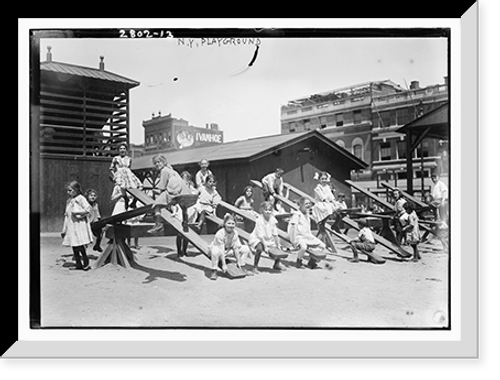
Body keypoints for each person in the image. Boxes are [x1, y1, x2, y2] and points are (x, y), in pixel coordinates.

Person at [147, 154, 191, 234]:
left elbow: (162, 185)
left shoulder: (164, 170)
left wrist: (160, 196)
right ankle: (185, 222)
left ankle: (158, 225)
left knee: (156, 205)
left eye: (158, 162)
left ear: (163, 162)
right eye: (155, 163)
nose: (157, 164)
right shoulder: (171, 170)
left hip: (173, 190)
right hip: (181, 189)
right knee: (183, 205)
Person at [208, 213, 252, 280]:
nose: (231, 225)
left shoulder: (235, 233)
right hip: (218, 251)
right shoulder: (220, 233)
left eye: (232, 223)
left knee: (245, 249)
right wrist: (224, 265)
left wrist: (238, 262)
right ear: (224, 224)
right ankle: (214, 271)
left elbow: (236, 248)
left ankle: (242, 267)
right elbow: (221, 250)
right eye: (229, 223)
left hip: (228, 250)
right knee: (215, 251)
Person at [61, 181, 93, 271]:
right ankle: (78, 264)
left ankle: (86, 263)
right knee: (74, 245)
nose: (68, 192)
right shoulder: (70, 201)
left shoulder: (80, 198)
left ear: (76, 190)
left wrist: (78, 213)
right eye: (68, 191)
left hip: (79, 225)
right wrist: (64, 229)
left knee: (80, 244)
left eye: (70, 190)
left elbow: (88, 209)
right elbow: (67, 215)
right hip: (72, 225)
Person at [287, 197, 326, 269]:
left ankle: (312, 261)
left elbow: (307, 229)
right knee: (303, 247)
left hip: (307, 236)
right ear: (301, 205)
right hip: (299, 236)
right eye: (306, 203)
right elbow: (293, 228)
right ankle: (299, 260)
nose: (308, 205)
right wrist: (293, 240)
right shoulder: (297, 214)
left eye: (309, 203)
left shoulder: (307, 215)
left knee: (322, 246)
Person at [248, 201, 285, 273]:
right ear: (262, 210)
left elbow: (275, 233)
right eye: (266, 210)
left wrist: (278, 244)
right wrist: (265, 247)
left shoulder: (272, 219)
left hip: (268, 238)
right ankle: (255, 266)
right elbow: (260, 235)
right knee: (259, 248)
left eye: (269, 210)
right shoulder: (260, 220)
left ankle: (276, 264)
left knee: (279, 247)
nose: (268, 212)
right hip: (258, 238)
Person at [173, 171, 200, 257]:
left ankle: (184, 250)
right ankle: (179, 251)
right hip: (180, 209)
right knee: (179, 232)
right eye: (183, 179)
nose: (185, 181)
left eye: (187, 179)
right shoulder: (178, 188)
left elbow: (196, 194)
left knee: (187, 231)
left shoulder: (191, 187)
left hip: (189, 209)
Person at [109, 144, 143, 209]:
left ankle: (134, 202)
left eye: (124, 148)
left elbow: (129, 167)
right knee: (122, 187)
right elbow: (111, 168)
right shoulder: (116, 158)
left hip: (128, 173)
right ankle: (126, 199)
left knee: (139, 186)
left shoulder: (129, 159)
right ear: (118, 150)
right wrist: (114, 176)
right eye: (121, 148)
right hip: (120, 173)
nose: (122, 150)